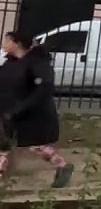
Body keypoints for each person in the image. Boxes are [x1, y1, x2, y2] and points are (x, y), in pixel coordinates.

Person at [0, 31, 73, 187]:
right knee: (5, 146)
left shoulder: (37, 63)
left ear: (17, 43)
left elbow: (44, 89)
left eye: (7, 41)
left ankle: (62, 166)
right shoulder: (10, 63)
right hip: (10, 113)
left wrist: (21, 108)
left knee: (37, 146)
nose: (4, 44)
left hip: (33, 115)